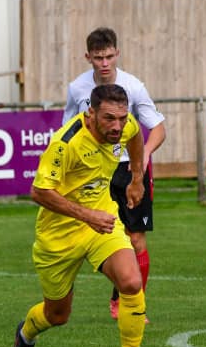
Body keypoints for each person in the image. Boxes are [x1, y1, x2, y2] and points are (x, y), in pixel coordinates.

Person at [11, 84, 164, 347]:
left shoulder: (124, 126)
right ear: (91, 113)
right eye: (109, 119)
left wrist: (137, 178)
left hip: (102, 222)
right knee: (57, 315)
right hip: (59, 236)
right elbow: (39, 192)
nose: (117, 126)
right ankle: (25, 335)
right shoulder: (66, 143)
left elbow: (136, 136)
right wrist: (87, 216)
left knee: (131, 281)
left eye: (121, 118)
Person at [63, 27, 166, 321]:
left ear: (117, 53)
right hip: (94, 171)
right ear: (88, 57)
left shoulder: (133, 86)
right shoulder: (77, 89)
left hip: (129, 168)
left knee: (137, 240)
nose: (105, 63)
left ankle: (131, 305)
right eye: (98, 58)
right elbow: (67, 130)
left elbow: (158, 128)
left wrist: (143, 157)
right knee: (93, 236)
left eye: (109, 56)